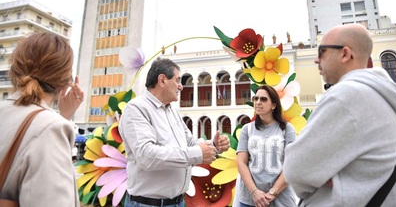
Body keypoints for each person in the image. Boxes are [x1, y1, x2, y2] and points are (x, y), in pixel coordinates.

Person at [283, 23, 396, 206]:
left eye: (321, 51)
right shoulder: (384, 95)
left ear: (345, 54)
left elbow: (295, 169)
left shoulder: (346, 96)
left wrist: (327, 172)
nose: (316, 60)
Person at [119, 57, 231, 207]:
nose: (181, 87)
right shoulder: (136, 109)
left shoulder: (172, 110)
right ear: (162, 80)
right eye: (178, 80)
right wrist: (198, 154)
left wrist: (212, 145)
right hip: (148, 204)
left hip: (178, 202)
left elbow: (190, 142)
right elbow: (146, 156)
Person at [0, 31, 84, 206]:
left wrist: (63, 117)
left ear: (15, 68)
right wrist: (60, 120)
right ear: (66, 80)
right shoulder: (51, 128)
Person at [236, 85, 297, 207]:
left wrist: (272, 193)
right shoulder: (247, 129)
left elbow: (292, 164)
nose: (258, 102)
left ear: (273, 105)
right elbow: (241, 162)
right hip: (250, 200)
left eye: (263, 99)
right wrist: (254, 192)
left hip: (282, 200)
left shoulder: (287, 129)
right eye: (256, 98)